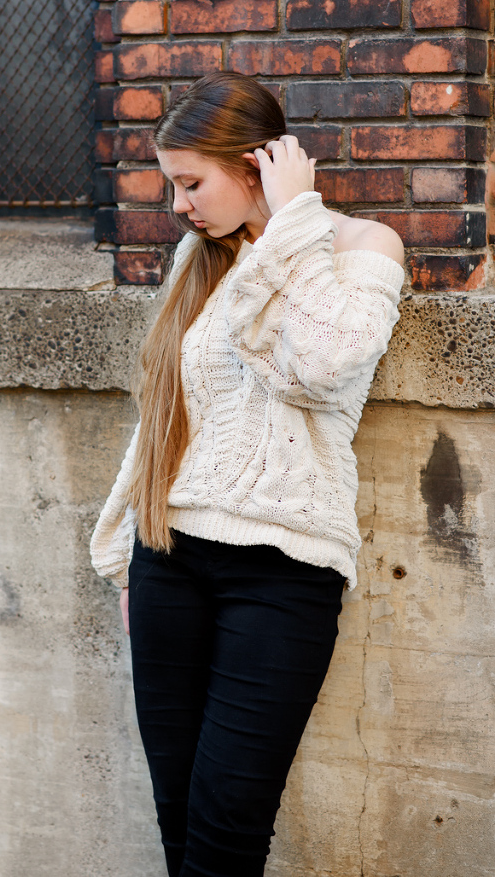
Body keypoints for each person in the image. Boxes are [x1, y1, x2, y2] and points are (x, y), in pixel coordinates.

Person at [90, 72, 405, 877]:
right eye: (173, 188)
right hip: (171, 563)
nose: (179, 208)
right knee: (177, 823)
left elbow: (323, 367)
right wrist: (131, 555)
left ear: (255, 166)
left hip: (283, 576)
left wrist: (290, 223)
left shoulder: (360, 248)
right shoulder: (198, 261)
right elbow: (166, 411)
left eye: (192, 184)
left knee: (228, 827)